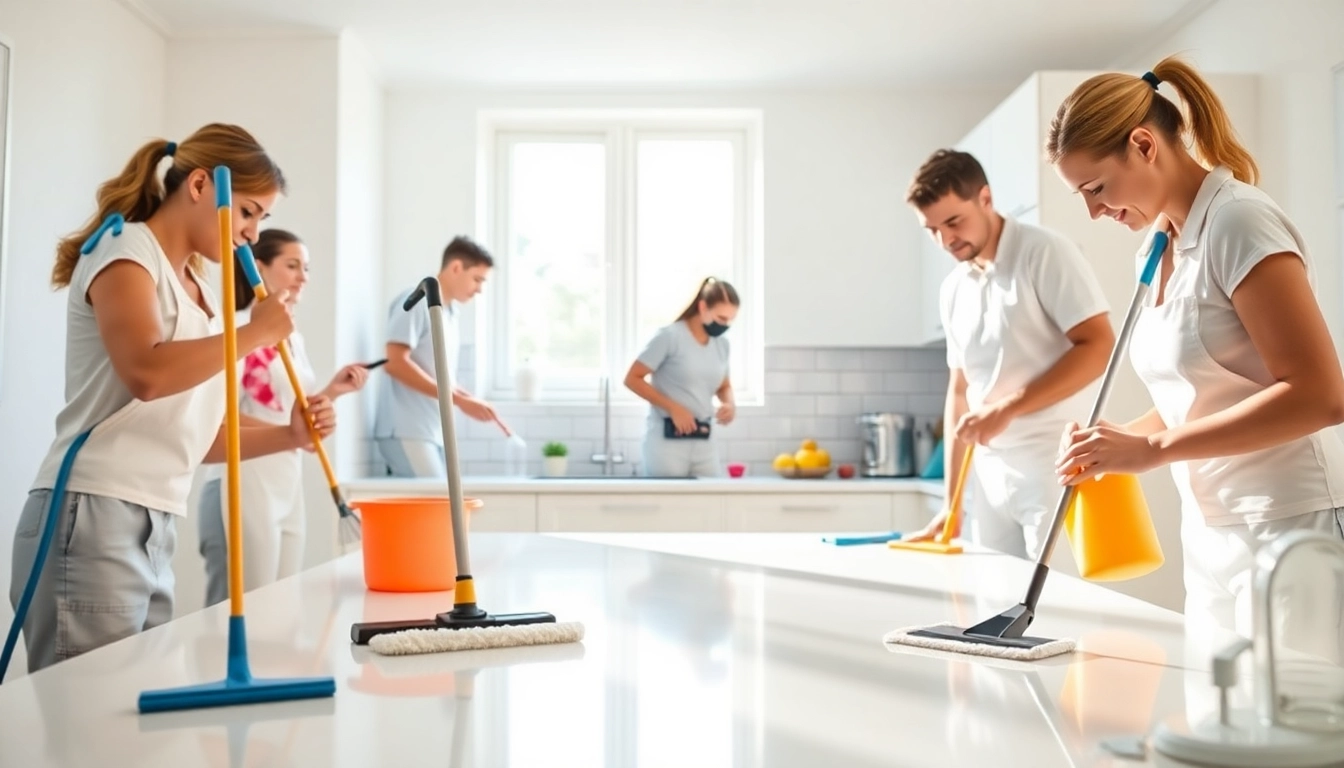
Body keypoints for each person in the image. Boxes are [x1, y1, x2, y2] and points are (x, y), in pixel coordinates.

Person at [9, 124, 337, 673]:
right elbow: (146, 373)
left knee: (133, 727)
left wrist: (289, 436)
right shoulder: (126, 248)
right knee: (90, 731)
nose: (254, 233)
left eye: (263, 219)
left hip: (156, 518)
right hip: (90, 510)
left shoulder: (203, 292)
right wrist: (254, 334)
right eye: (249, 212)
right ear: (203, 185)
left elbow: (195, 434)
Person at [1048, 56, 1344, 639]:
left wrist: (1153, 449)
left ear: (1143, 145)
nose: (1093, 210)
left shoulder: (1238, 223)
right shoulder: (1157, 248)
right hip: (1210, 535)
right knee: (1214, 720)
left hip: (1290, 526)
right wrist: (1118, 443)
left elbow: (1320, 395)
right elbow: (1206, 391)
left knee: (1298, 728)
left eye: (1096, 188)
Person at [900, 149, 1115, 560]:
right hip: (988, 475)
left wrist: (1006, 410)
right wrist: (951, 503)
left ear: (985, 198)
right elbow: (960, 392)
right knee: (989, 609)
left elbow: (1099, 345)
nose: (945, 240)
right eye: (932, 230)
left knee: (1055, 610)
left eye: (953, 222)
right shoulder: (954, 289)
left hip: (1054, 465)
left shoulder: (1045, 252)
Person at [197, 228, 371, 607]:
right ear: (258, 268)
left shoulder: (293, 337)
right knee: (252, 605)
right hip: (247, 474)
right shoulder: (236, 328)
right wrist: (290, 434)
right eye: (292, 265)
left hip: (286, 476)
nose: (303, 277)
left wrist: (332, 391)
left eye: (306, 268)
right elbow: (220, 414)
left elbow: (291, 414)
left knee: (283, 603)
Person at [374, 236, 498, 477]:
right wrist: (460, 401)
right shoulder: (417, 301)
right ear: (456, 268)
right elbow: (395, 362)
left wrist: (467, 398)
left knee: (437, 506)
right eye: (477, 279)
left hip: (429, 431)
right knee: (439, 505)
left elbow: (438, 374)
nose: (480, 290)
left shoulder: (451, 313)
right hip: (406, 428)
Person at [624, 278, 739, 478]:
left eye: (730, 320)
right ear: (703, 307)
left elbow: (724, 385)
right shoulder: (669, 337)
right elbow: (632, 379)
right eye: (721, 318)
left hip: (705, 443)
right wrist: (673, 408)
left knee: (711, 504)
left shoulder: (722, 345)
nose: (725, 325)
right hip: (667, 444)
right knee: (671, 506)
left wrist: (729, 403)